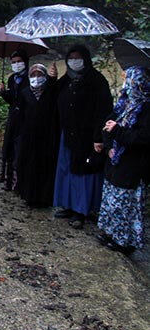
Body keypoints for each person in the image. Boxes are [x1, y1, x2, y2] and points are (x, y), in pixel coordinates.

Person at [52, 45, 113, 229]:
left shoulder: (96, 81)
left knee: (83, 172)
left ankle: (82, 210)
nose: (74, 61)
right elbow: (54, 99)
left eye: (78, 57)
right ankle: (68, 205)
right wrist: (52, 79)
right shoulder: (66, 80)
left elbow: (103, 111)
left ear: (86, 59)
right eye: (71, 58)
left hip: (87, 136)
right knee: (67, 170)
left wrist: (98, 137)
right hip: (68, 133)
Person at [97, 66, 150, 254]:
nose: (126, 84)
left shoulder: (145, 108)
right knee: (112, 199)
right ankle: (111, 232)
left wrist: (117, 130)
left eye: (130, 81)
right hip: (116, 160)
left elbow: (143, 138)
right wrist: (109, 145)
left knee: (126, 203)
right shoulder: (124, 103)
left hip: (133, 164)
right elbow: (108, 123)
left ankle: (125, 240)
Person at [16, 64, 59, 207]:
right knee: (28, 166)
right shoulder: (25, 93)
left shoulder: (51, 92)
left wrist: (54, 79)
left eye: (39, 75)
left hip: (47, 136)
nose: (36, 78)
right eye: (33, 75)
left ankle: (45, 197)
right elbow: (20, 115)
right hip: (28, 136)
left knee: (45, 166)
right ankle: (29, 196)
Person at [0, 50, 30, 190]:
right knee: (9, 148)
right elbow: (12, 100)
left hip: (26, 118)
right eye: (14, 62)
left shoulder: (30, 78)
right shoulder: (12, 79)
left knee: (21, 149)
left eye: (19, 61)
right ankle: (8, 180)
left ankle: (20, 183)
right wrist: (4, 93)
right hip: (13, 117)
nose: (16, 65)